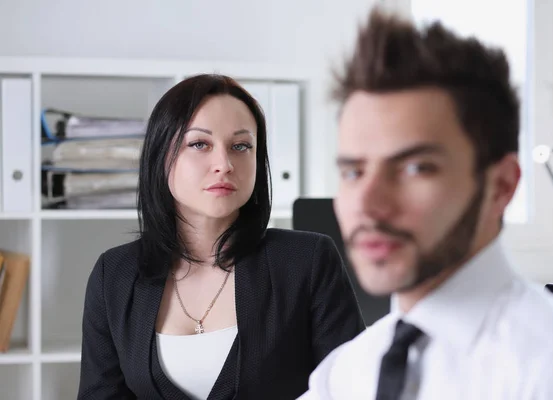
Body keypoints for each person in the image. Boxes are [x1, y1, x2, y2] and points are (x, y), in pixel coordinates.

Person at [299, 7, 553, 400]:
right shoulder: (345, 373)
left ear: (501, 187)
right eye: (353, 171)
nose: (367, 204)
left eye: (414, 168)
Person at [77, 74, 365, 400]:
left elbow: (353, 389)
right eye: (200, 144)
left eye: (241, 146)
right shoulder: (114, 274)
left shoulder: (307, 261)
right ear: (161, 156)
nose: (224, 164)